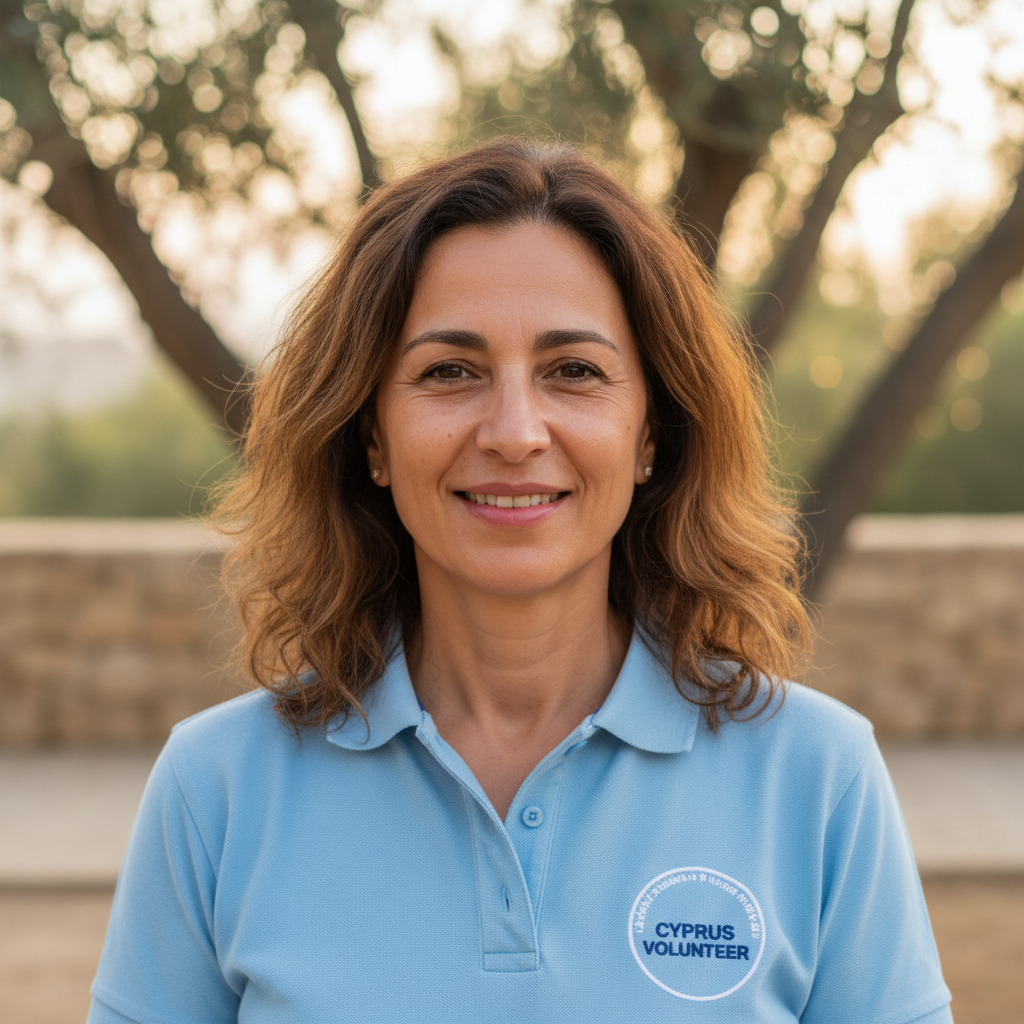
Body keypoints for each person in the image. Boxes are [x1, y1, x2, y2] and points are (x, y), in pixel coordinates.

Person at [88, 139, 952, 1022]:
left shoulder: (816, 779)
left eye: (573, 371)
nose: (513, 430)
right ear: (372, 436)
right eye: (449, 372)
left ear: (651, 433)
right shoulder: (218, 790)